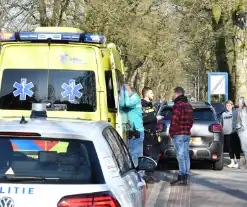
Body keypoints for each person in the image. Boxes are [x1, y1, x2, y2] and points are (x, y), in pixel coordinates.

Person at [169, 87, 193, 186]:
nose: (174, 96)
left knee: (180, 156)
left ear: (177, 94)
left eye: (174, 94)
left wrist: (171, 132)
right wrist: (187, 128)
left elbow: (174, 120)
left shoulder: (177, 106)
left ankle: (182, 176)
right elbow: (191, 121)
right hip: (186, 133)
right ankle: (186, 174)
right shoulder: (189, 105)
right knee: (185, 154)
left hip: (178, 133)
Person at [141, 87, 164, 182]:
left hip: (153, 134)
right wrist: (156, 118)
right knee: (148, 155)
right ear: (146, 94)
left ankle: (150, 174)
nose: (153, 94)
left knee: (155, 154)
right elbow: (143, 119)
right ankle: (147, 175)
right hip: (147, 134)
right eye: (151, 93)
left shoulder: (150, 105)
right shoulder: (142, 105)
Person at [119, 84, 144, 167]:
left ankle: (138, 175)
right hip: (131, 130)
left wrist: (124, 91)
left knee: (135, 154)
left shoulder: (135, 98)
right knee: (131, 153)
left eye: (124, 90)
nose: (122, 93)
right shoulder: (130, 98)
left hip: (137, 130)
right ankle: (136, 172)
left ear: (128, 90)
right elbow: (121, 105)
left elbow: (126, 104)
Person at [222, 100, 241, 168]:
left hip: (233, 133)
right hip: (226, 133)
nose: (228, 107)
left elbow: (238, 122)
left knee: (236, 148)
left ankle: (238, 163)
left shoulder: (235, 112)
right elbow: (222, 124)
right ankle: (232, 162)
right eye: (227, 105)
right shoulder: (223, 114)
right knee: (229, 148)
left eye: (229, 105)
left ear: (232, 106)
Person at [237, 97, 247, 163]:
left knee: (244, 147)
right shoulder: (244, 110)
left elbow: (242, 122)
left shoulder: (242, 111)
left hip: (243, 131)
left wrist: (240, 129)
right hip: (244, 130)